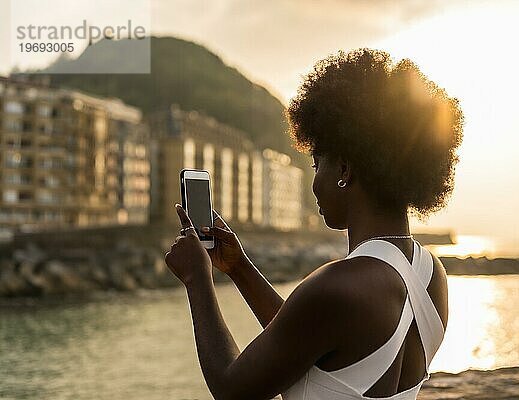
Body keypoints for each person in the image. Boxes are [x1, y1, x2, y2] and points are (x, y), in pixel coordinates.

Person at [164, 48, 464, 400]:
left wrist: (197, 279)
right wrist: (239, 268)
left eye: (316, 163)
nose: (315, 181)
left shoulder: (337, 285)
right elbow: (311, 344)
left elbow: (232, 390)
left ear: (344, 170)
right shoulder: (431, 276)